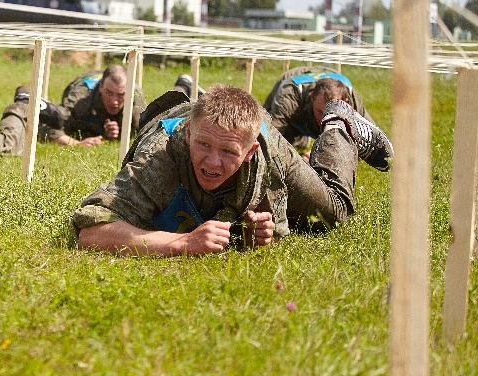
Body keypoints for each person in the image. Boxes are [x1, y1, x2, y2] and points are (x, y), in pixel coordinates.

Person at [71, 84, 394, 257]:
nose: (213, 162)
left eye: (228, 152)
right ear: (188, 136)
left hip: (262, 131)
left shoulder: (262, 160)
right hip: (183, 124)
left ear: (249, 153)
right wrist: (180, 244)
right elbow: (91, 231)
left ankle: (338, 123)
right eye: (204, 147)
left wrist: (259, 235)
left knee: (332, 215)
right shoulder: (160, 157)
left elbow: (275, 228)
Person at [262, 66, 386, 170]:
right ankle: (299, 138)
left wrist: (323, 155)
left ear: (345, 104)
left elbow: (376, 146)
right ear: (312, 99)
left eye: (331, 113)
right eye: (320, 112)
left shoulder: (351, 100)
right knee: (265, 139)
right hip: (292, 84)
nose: (324, 119)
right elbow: (270, 139)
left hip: (331, 75)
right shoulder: (288, 97)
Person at [38, 65, 148, 147]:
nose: (114, 101)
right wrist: (77, 143)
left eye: (121, 95)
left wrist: (120, 133)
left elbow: (150, 133)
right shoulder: (79, 99)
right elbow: (45, 124)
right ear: (100, 87)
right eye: (109, 93)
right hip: (83, 83)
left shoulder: (136, 102)